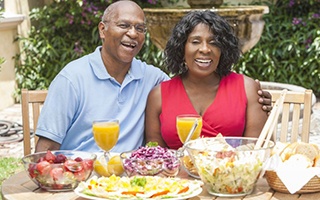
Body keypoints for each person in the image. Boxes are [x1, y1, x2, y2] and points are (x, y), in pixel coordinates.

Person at [35, 1, 271, 153]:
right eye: (124, 25)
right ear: (102, 30)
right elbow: (45, 148)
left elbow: (254, 151)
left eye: (139, 28)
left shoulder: (152, 78)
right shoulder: (72, 79)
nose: (132, 34)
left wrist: (261, 99)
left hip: (134, 180)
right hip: (81, 178)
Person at [145, 10, 268, 150]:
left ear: (223, 49)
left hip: (233, 170)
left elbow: (258, 150)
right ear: (181, 48)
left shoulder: (247, 88)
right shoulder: (158, 96)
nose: (205, 49)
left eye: (214, 42)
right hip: (175, 171)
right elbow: (155, 155)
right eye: (195, 42)